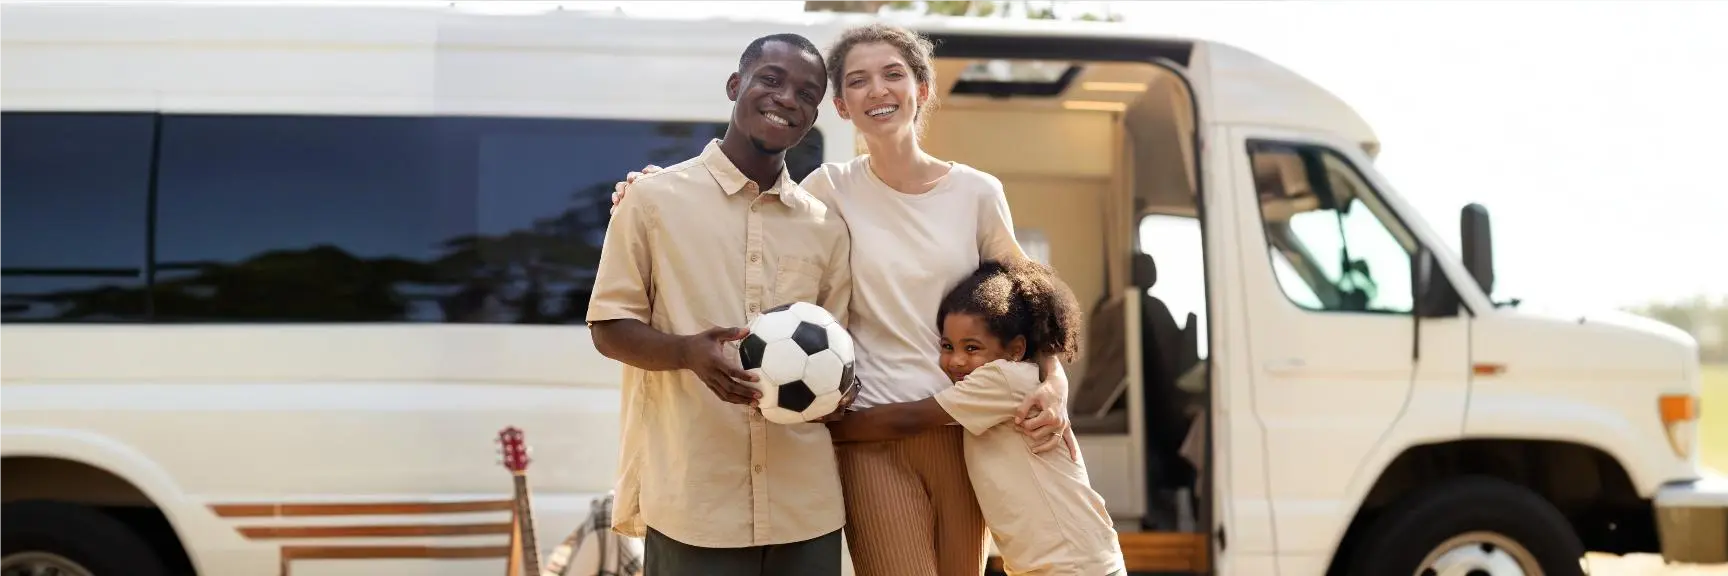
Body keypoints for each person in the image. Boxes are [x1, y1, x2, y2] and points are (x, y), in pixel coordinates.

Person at [610, 23, 1076, 576]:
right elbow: (747, 210)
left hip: (963, 434)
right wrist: (652, 185)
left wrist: (1054, 384)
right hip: (870, 434)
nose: (877, 90)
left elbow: (1031, 301)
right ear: (841, 105)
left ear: (922, 89)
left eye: (893, 75)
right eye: (858, 81)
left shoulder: (977, 193)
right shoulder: (828, 189)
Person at [585, 32, 854, 576]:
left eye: (806, 93)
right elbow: (608, 326)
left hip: (806, 508)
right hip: (696, 504)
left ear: (813, 116)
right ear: (736, 85)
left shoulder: (825, 227)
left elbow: (840, 348)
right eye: (771, 80)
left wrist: (839, 393)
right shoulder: (652, 200)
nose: (786, 99)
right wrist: (687, 353)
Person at [827, 259, 1126, 576]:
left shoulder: (1003, 380)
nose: (955, 361)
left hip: (1072, 563)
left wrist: (827, 425)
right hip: (1055, 562)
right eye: (946, 346)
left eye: (972, 348)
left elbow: (908, 419)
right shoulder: (1000, 384)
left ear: (1015, 349)